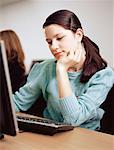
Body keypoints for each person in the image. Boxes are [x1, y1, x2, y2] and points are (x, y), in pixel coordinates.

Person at [13, 10, 114, 131]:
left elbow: (73, 120)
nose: (53, 47)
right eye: (49, 42)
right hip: (51, 134)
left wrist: (61, 70)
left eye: (59, 38)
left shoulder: (103, 75)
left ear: (78, 35)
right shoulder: (44, 68)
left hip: (87, 137)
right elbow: (18, 103)